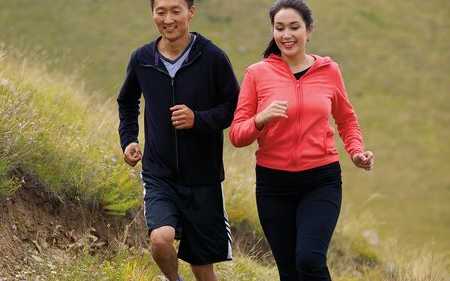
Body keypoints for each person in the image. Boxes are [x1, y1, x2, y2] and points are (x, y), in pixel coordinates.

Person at [229, 0, 374, 280]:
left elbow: (346, 119)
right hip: (273, 185)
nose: (286, 35)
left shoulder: (329, 71)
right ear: (272, 31)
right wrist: (261, 119)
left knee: (309, 259)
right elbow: (237, 135)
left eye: (294, 27)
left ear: (309, 31)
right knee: (290, 272)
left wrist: (356, 152)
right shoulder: (257, 74)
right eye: (279, 28)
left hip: (320, 180)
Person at [117, 0, 239, 280]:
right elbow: (127, 102)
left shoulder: (212, 57)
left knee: (202, 267)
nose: (168, 19)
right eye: (161, 11)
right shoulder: (142, 59)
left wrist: (198, 119)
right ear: (152, 14)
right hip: (159, 173)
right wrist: (129, 139)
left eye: (176, 11)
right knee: (160, 240)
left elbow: (234, 106)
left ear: (191, 13)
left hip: (204, 179)